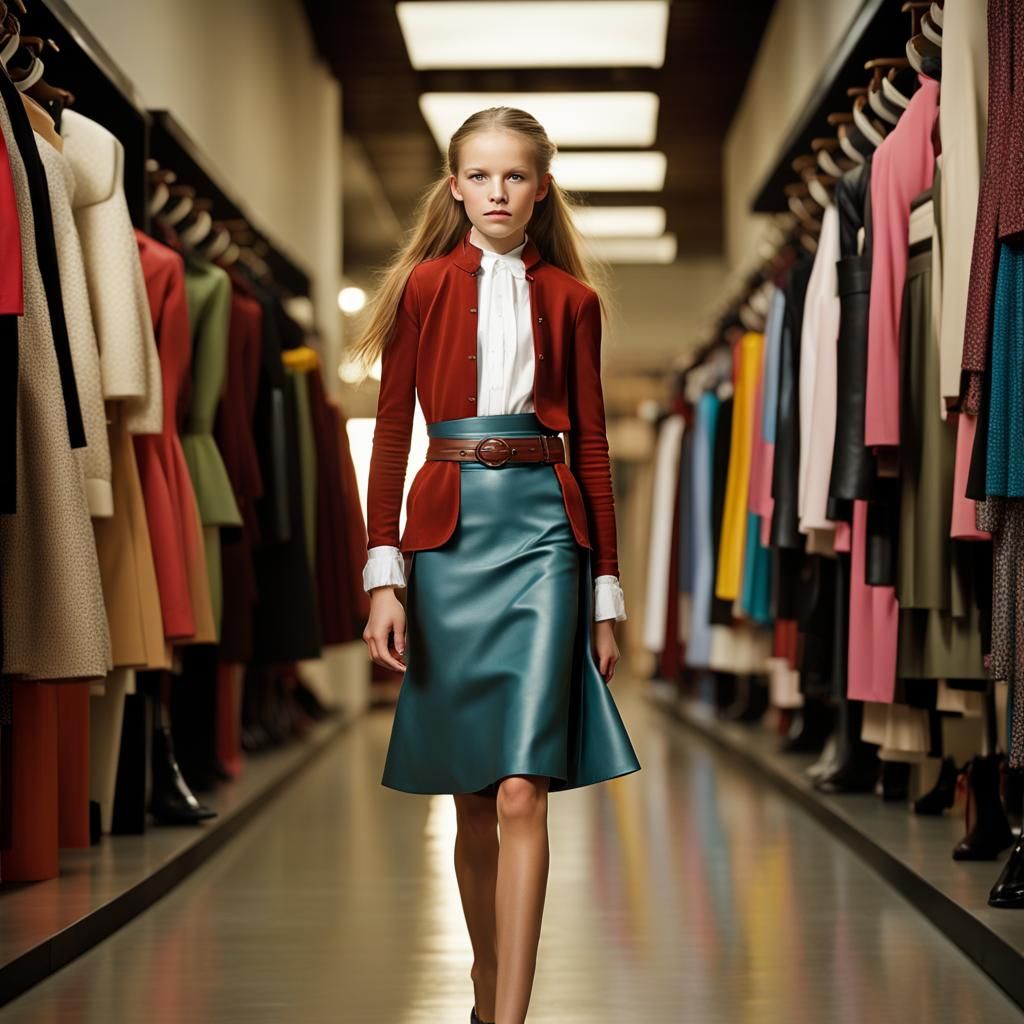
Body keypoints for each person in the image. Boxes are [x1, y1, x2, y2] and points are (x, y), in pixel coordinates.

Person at [353, 105, 641, 1024]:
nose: (497, 192)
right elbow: (390, 436)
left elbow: (591, 447)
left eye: (514, 175)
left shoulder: (576, 302)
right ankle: (485, 992)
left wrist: (605, 594)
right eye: (479, 175)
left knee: (522, 788)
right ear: (455, 187)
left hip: (546, 535)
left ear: (541, 188)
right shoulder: (423, 288)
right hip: (446, 541)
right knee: (473, 796)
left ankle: (509, 1017)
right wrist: (384, 575)